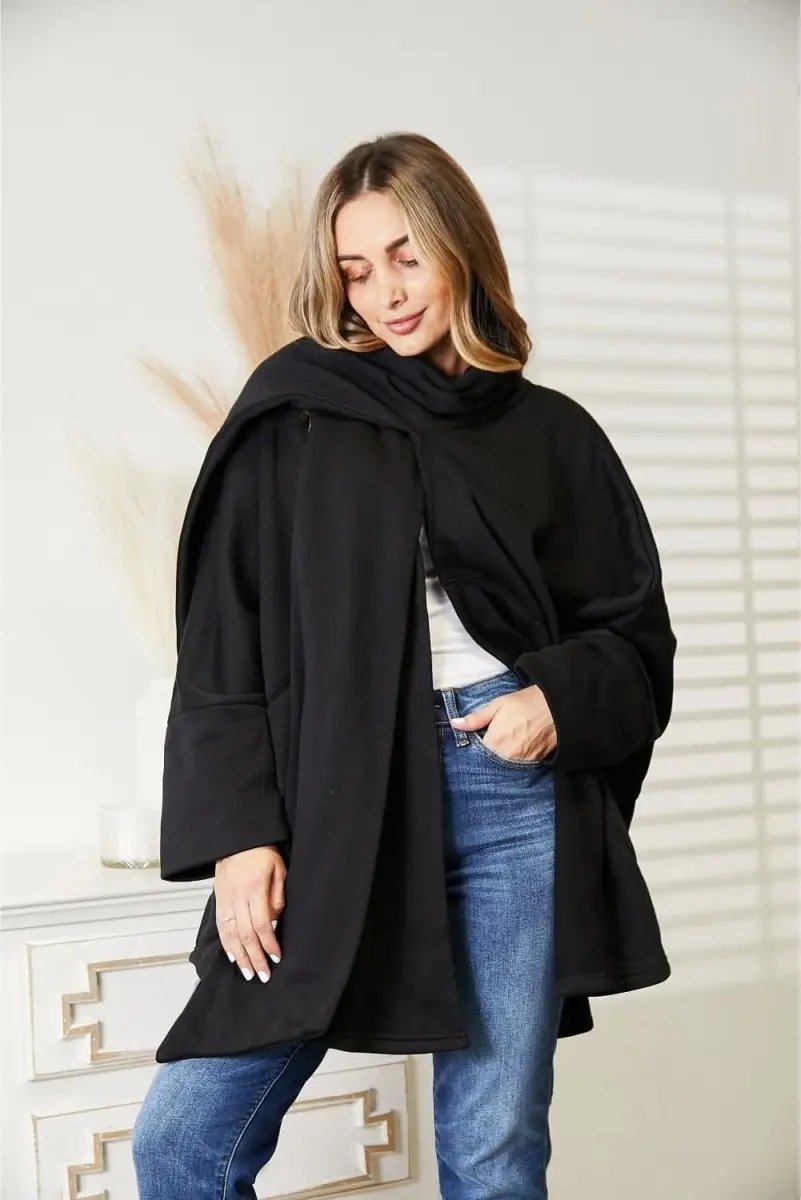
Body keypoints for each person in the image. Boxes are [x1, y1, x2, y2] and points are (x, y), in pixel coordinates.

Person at [133, 131, 677, 1200]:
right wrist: (240, 831)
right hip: (336, 794)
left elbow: (633, 636)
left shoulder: (550, 434)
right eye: (355, 269)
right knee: (185, 1141)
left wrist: (552, 701)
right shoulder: (297, 415)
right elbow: (223, 639)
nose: (385, 291)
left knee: (493, 1150)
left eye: (406, 256)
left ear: (459, 247)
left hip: (511, 800)